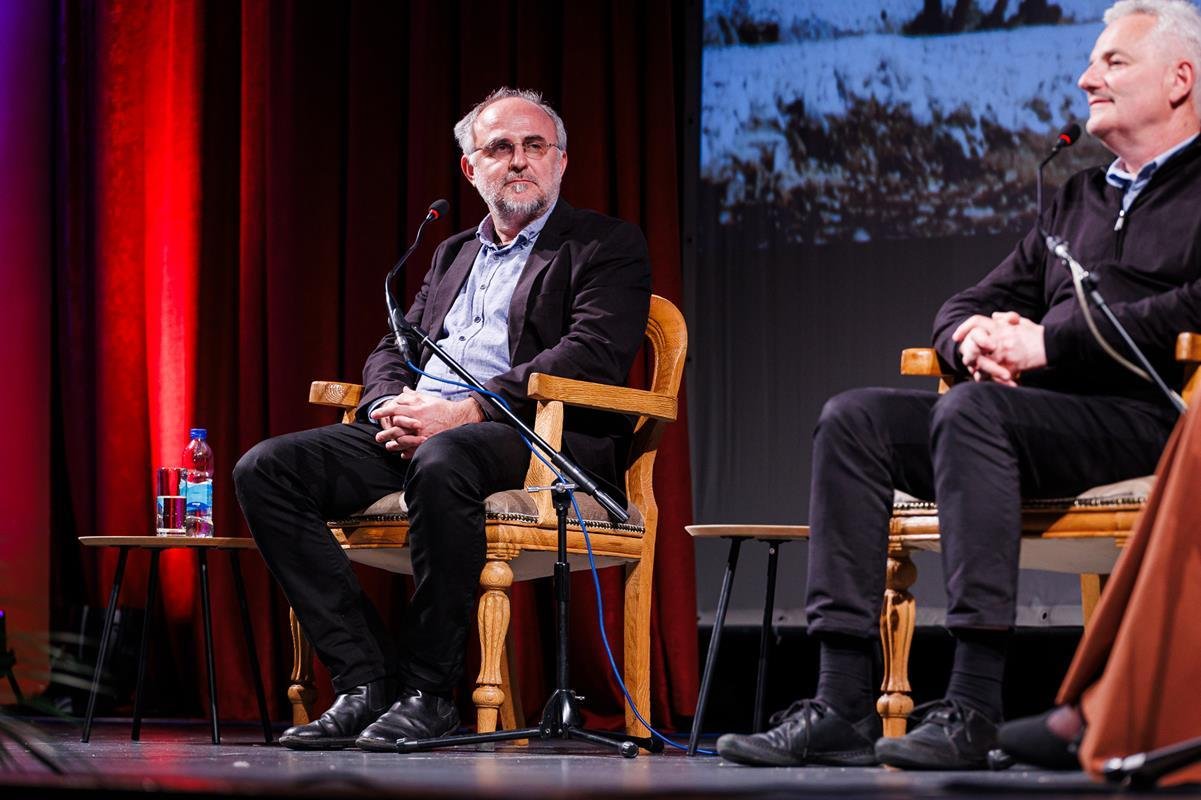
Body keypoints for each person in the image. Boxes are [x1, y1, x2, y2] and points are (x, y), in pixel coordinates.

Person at [718, 0, 1201, 770]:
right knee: (853, 420)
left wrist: (1049, 343)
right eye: (1090, 61)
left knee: (973, 412)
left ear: (1179, 80)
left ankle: (973, 703)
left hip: (1152, 421)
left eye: (1112, 62)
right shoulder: (1075, 196)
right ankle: (840, 703)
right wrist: (969, 336)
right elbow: (970, 300)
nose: (1086, 78)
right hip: (1036, 422)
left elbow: (1191, 308)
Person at [233, 87, 651, 751]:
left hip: (533, 437)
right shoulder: (453, 251)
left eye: (534, 146)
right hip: (424, 429)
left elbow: (593, 352)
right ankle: (365, 679)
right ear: (471, 168)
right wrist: (388, 407)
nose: (519, 161)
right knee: (266, 470)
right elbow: (394, 345)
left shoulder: (604, 243)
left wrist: (465, 410)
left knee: (443, 457)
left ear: (561, 160)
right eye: (500, 148)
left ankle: (429, 692)